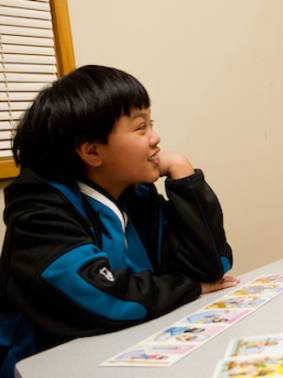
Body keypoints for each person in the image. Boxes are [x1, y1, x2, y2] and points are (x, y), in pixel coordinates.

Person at [0, 65, 238, 377]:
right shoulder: (39, 213)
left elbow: (213, 265)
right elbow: (102, 297)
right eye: (141, 128)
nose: (156, 138)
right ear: (91, 151)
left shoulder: (135, 197)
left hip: (127, 354)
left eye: (152, 124)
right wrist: (189, 287)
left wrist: (183, 175)